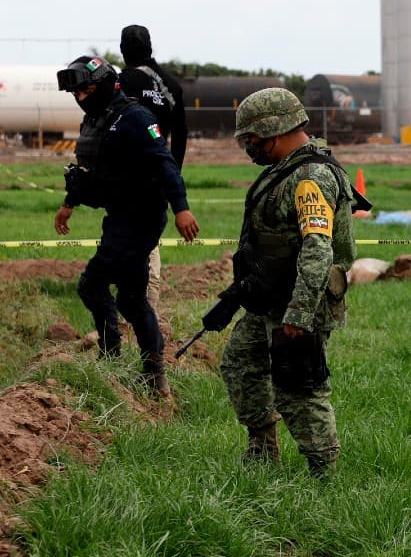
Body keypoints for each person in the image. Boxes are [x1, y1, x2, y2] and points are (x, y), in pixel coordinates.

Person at [218, 87, 358, 477]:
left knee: (299, 387)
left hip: (301, 301)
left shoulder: (311, 177)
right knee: (241, 363)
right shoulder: (285, 171)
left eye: (253, 139)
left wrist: (299, 313)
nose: (249, 147)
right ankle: (262, 448)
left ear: (274, 130)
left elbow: (317, 249)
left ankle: (324, 472)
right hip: (272, 296)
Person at [54, 55, 199, 397]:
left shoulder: (135, 117)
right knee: (132, 300)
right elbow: (86, 172)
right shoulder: (93, 120)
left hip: (141, 218)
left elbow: (164, 164)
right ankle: (153, 375)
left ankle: (111, 356)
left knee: (92, 285)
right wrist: (68, 205)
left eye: (86, 90)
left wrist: (182, 209)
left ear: (103, 85)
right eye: (76, 93)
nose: (80, 98)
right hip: (118, 217)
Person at [118, 24, 189, 311]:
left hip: (124, 179)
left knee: (122, 244)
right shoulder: (171, 85)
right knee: (150, 246)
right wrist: (171, 176)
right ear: (150, 48)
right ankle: (147, 312)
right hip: (157, 180)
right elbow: (181, 137)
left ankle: (133, 318)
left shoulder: (120, 83)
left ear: (123, 50)